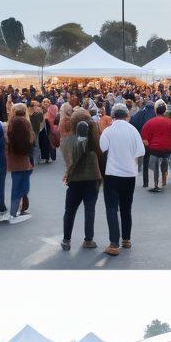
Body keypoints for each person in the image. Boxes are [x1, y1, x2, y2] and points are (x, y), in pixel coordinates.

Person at [99, 103, 145, 255]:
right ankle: (126, 239)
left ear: (112, 116)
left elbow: (102, 148)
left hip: (112, 173)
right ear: (127, 115)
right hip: (129, 174)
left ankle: (113, 243)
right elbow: (140, 151)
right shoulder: (133, 131)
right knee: (126, 207)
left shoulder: (108, 131)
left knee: (111, 208)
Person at [60, 111, 102, 250]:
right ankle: (88, 240)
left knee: (70, 210)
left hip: (74, 180)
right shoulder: (94, 140)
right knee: (90, 210)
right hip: (92, 178)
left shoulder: (66, 141)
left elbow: (68, 161)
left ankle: (66, 239)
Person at [5, 103, 35, 224]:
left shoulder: (9, 124)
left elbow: (7, 141)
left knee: (16, 184)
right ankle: (17, 207)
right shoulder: (26, 123)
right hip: (24, 157)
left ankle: (15, 209)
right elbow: (31, 139)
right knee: (24, 182)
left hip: (13, 158)